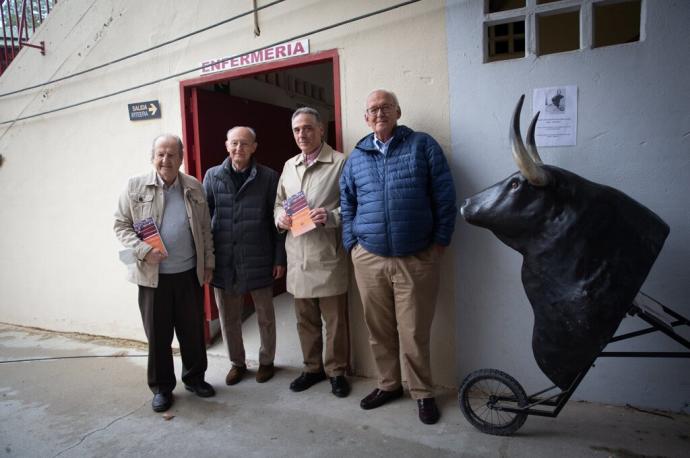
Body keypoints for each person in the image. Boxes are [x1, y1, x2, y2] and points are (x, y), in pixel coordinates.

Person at [339, 89, 457, 424]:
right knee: (379, 330)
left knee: (414, 331)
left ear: (398, 111)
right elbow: (347, 203)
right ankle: (389, 384)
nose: (379, 113)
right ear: (365, 117)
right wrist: (352, 244)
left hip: (416, 258)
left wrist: (439, 243)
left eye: (386, 107)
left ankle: (422, 393)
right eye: (373, 109)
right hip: (369, 258)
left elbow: (445, 196)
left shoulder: (422, 145)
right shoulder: (357, 157)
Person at [114, 134, 216, 413]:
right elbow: (120, 225)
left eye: (172, 154)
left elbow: (206, 229)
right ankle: (161, 388)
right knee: (158, 335)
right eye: (160, 154)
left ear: (181, 158)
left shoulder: (194, 186)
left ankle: (195, 378)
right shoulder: (135, 186)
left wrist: (208, 263)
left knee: (192, 332)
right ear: (152, 156)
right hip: (152, 278)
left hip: (188, 274)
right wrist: (144, 250)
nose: (165, 160)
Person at [274, 107, 350, 398]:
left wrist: (331, 217)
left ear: (322, 130)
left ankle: (337, 372)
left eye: (307, 128)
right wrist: (279, 217)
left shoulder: (340, 163)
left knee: (335, 322)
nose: (302, 134)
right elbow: (279, 203)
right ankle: (311, 368)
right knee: (304, 319)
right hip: (298, 255)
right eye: (296, 130)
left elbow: (354, 207)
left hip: (327, 254)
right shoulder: (288, 165)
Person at [203, 126, 286, 386]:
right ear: (227, 145)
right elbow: (204, 220)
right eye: (234, 143)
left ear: (254, 147)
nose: (239, 148)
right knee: (229, 318)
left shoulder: (269, 177)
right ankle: (237, 363)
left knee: (265, 316)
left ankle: (266, 362)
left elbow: (277, 221)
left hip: (258, 256)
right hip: (225, 259)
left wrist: (278, 258)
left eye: (245, 144)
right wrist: (208, 259)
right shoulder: (212, 176)